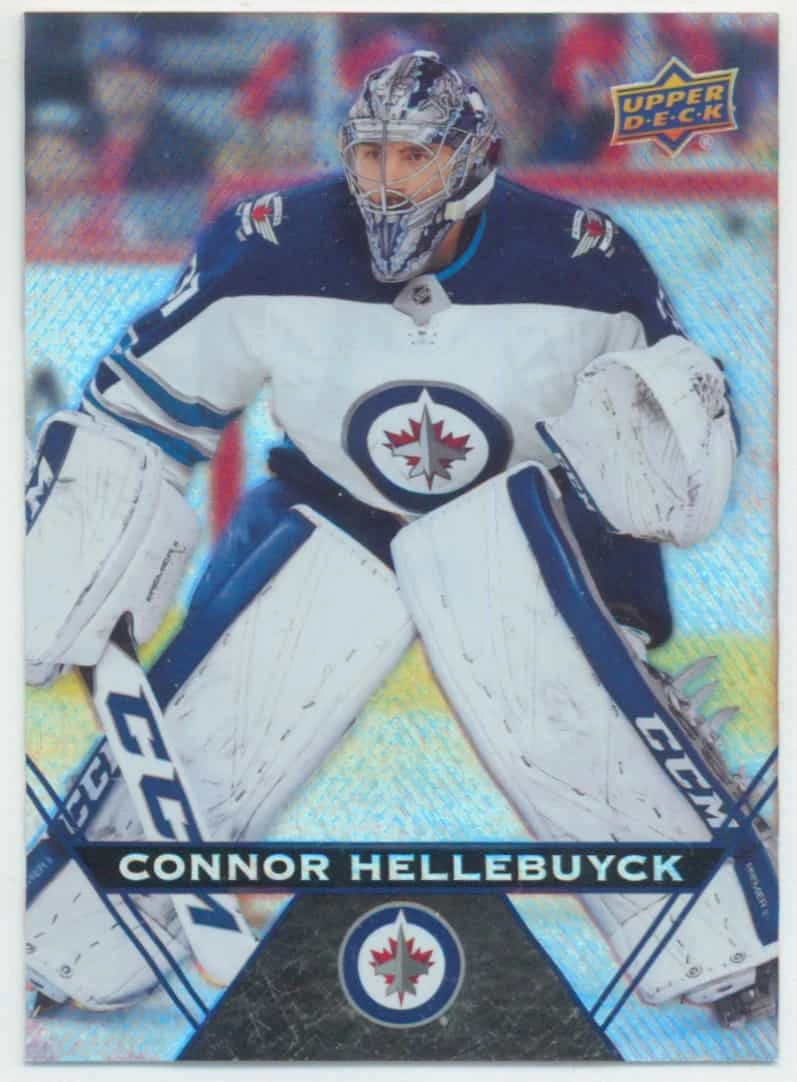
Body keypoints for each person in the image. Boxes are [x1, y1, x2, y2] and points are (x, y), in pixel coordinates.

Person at [25, 51, 776, 1024]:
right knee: (227, 709)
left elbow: (653, 439)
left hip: (515, 520)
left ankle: (728, 942)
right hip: (333, 508)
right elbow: (140, 406)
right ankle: (65, 939)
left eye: (413, 157)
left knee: (570, 714)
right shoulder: (271, 242)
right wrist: (82, 538)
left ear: (470, 157)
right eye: (371, 154)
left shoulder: (581, 258)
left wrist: (622, 595)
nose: (386, 180)